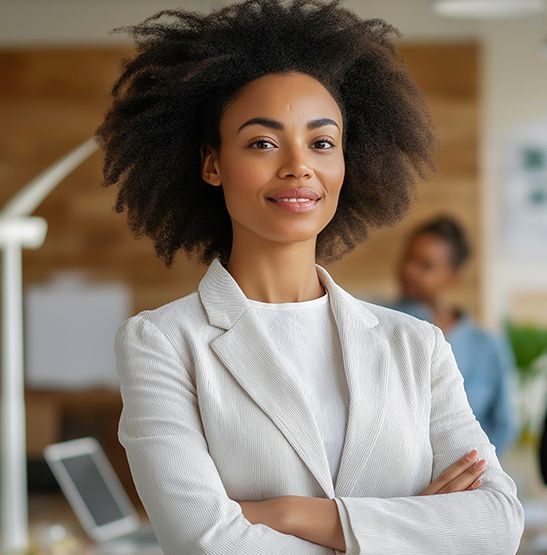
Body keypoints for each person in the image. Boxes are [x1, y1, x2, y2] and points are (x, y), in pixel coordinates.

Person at [94, 1, 524, 553]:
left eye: (322, 142)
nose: (299, 165)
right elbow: (203, 541)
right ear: (212, 163)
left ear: (349, 161)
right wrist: (414, 527)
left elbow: (497, 523)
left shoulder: (417, 347)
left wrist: (287, 514)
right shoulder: (162, 343)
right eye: (263, 142)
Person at [387, 216, 518, 457]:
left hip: (466, 478)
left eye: (425, 265)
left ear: (454, 276)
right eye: (408, 259)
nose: (409, 271)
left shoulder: (487, 346)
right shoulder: (378, 323)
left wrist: (472, 473)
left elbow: (504, 426)